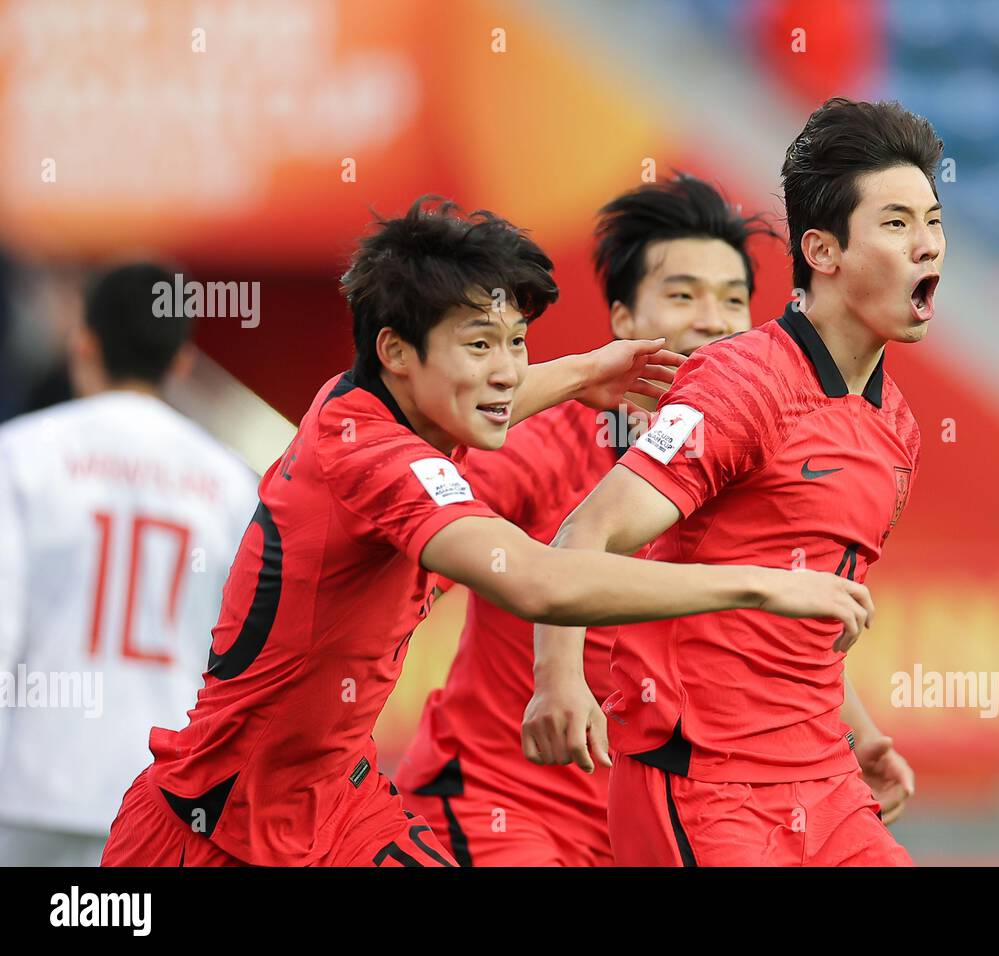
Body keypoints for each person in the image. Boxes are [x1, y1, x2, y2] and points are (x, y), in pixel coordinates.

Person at [98, 197, 875, 867]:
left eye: (515, 343)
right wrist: (764, 586)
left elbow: (475, 396)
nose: (506, 370)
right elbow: (539, 580)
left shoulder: (377, 403)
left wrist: (577, 371)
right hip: (212, 824)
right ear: (396, 352)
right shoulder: (377, 459)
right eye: (481, 345)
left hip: (338, 807)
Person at [398, 174, 903, 866]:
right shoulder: (543, 448)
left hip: (655, 818)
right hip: (509, 806)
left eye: (733, 300)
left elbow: (759, 634)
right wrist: (559, 677)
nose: (713, 320)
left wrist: (861, 733)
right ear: (625, 323)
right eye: (683, 295)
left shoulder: (746, 458)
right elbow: (408, 473)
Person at [524, 98, 942, 867]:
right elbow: (584, 535)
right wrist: (558, 680)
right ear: (823, 251)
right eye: (896, 224)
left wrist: (863, 733)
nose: (926, 246)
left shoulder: (900, 428)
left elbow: (802, 608)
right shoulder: (744, 381)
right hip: (704, 781)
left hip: (825, 776)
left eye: (934, 222)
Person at [0, 263, 259, 865]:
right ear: (181, 364)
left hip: (33, 788)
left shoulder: (21, 456)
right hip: (166, 798)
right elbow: (243, 657)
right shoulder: (231, 483)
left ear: (83, 344)